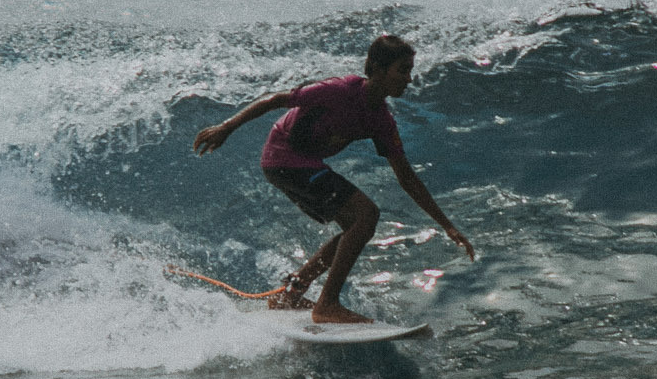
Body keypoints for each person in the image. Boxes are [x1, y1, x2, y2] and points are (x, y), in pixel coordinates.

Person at [193, 34, 477, 324]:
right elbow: (276, 100)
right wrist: (227, 127)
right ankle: (327, 304)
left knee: (355, 226)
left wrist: (447, 226)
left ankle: (289, 294)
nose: (409, 79)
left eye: (409, 70)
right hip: (283, 158)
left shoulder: (380, 119)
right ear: (378, 69)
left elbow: (406, 176)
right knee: (366, 215)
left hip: (299, 164)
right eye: (402, 70)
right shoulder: (339, 90)